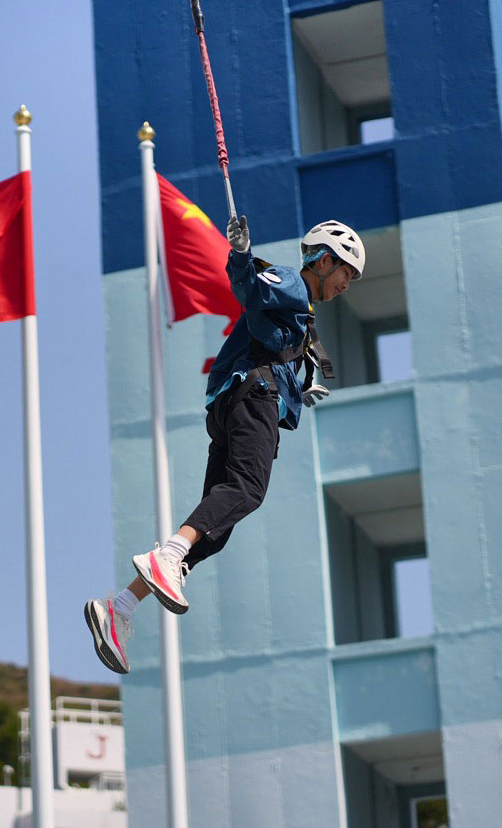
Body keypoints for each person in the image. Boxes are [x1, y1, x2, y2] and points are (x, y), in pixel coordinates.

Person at [85, 216, 366, 674]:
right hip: (252, 396)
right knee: (247, 489)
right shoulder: (292, 282)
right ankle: (167, 557)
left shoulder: (303, 311)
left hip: (235, 401)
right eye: (346, 273)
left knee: (214, 528)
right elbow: (250, 288)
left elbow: (282, 336)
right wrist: (240, 254)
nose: (346, 285)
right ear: (323, 260)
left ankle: (118, 608)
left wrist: (303, 381)